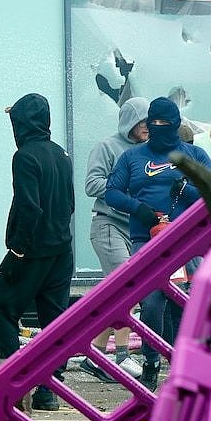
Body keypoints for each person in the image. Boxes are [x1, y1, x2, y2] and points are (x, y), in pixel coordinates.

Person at [105, 97, 211, 392]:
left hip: (187, 243)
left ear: (177, 124)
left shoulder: (195, 155)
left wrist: (187, 190)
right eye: (155, 124)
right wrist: (136, 208)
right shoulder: (132, 157)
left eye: (166, 123)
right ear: (147, 125)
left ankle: (182, 370)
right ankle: (151, 361)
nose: (160, 128)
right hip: (147, 241)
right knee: (151, 303)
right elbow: (111, 192)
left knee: (184, 307)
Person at [0, 93, 75, 411]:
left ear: (21, 124)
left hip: (33, 251)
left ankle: (14, 379)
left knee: (0, 310)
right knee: (54, 321)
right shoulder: (61, 154)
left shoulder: (24, 157)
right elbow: (71, 204)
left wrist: (18, 250)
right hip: (62, 251)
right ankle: (49, 390)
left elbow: (29, 206)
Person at [81, 97, 150, 383]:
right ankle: (121, 355)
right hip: (109, 225)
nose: (149, 128)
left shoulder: (149, 150)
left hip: (135, 230)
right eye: (145, 122)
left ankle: (96, 355)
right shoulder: (107, 147)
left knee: (124, 292)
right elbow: (91, 184)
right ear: (131, 122)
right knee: (127, 288)